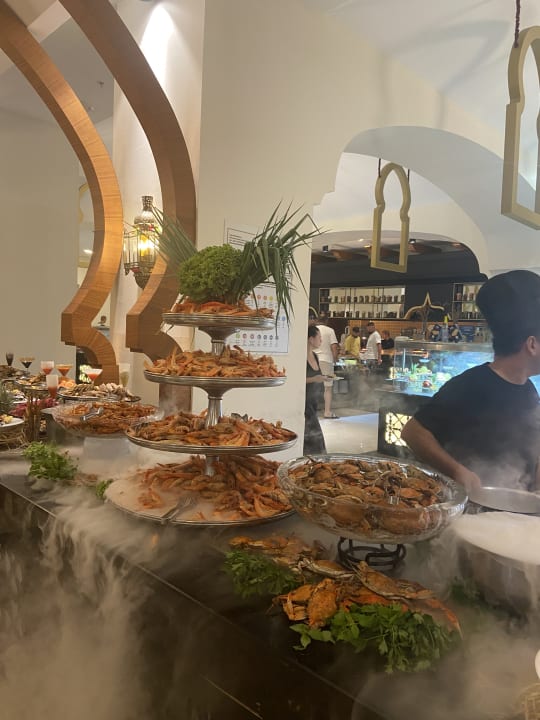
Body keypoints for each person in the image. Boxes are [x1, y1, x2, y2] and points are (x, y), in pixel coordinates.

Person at [401, 270, 540, 494]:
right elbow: (412, 432)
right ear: (532, 345)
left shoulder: (529, 390)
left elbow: (530, 445)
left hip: (517, 506)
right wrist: (458, 471)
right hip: (475, 507)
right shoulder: (472, 385)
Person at [304, 325, 328, 455]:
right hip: (304, 402)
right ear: (311, 339)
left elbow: (317, 377)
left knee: (312, 435)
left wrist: (322, 378)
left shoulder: (315, 356)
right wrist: (314, 379)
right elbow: (297, 380)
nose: (321, 340)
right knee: (314, 436)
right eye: (319, 337)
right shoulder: (301, 357)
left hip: (313, 402)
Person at [315, 313, 340, 418]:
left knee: (312, 386)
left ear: (317, 320)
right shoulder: (330, 331)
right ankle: (327, 412)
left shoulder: (313, 330)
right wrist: (335, 359)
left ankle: (308, 411)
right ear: (326, 321)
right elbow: (334, 346)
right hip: (326, 361)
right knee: (328, 387)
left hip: (314, 359)